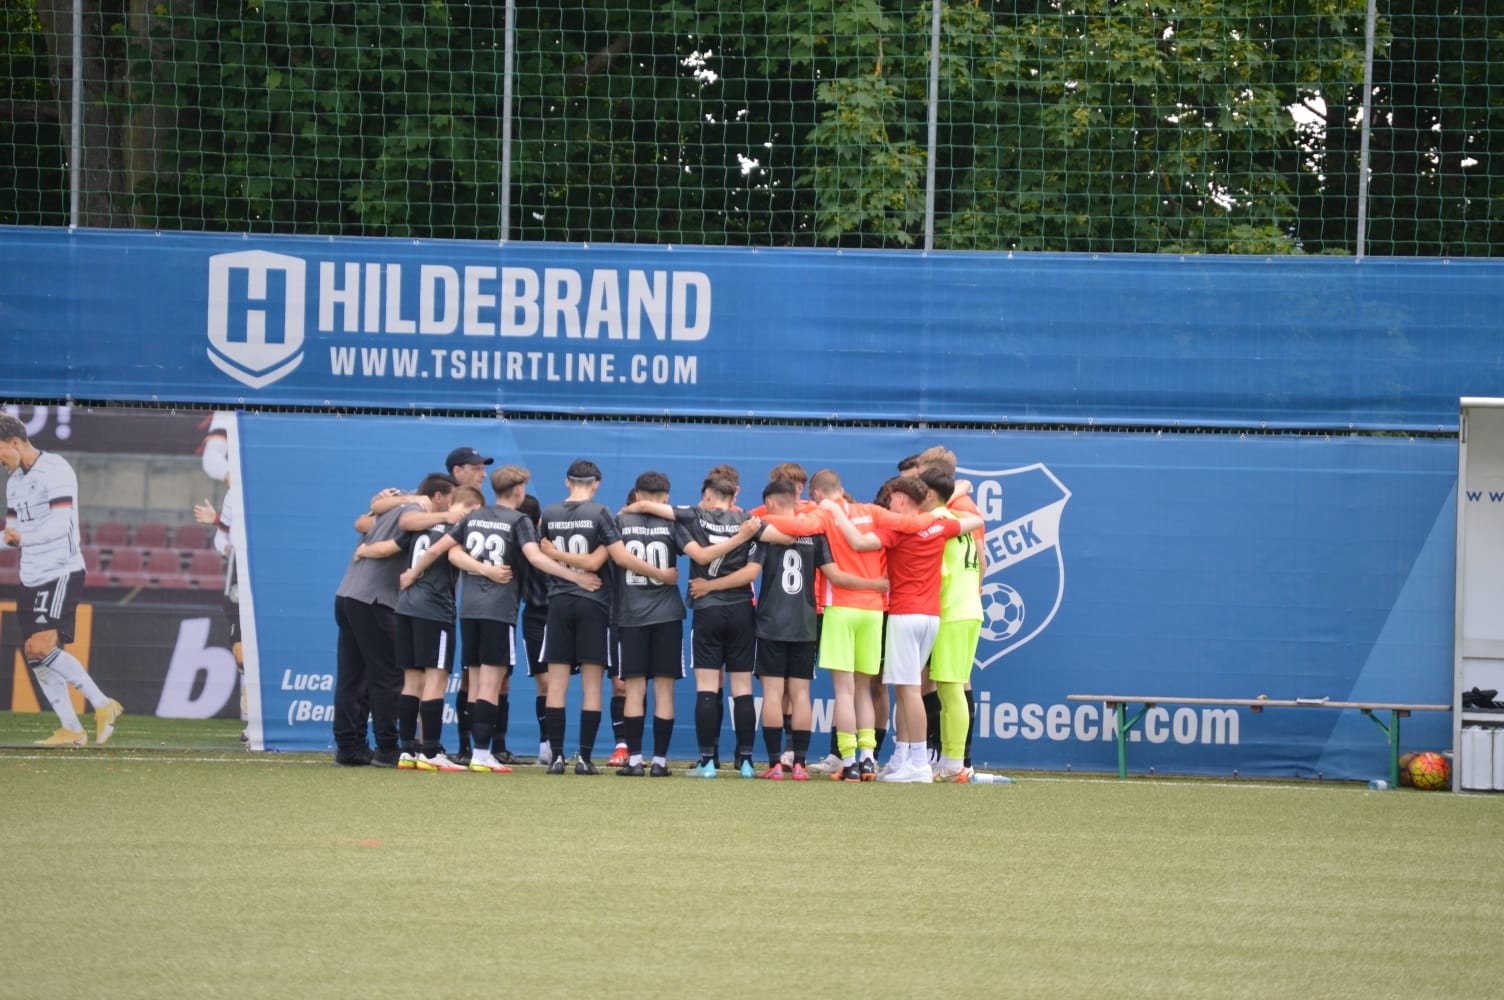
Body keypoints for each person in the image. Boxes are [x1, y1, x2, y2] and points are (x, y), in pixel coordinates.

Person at [758, 468, 940, 782]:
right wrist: (938, 517)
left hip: (841, 608)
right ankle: (869, 758)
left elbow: (797, 527)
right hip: (873, 611)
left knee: (844, 692)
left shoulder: (822, 515)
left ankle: (849, 760)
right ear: (841, 489)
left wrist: (756, 522)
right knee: (863, 691)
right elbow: (911, 523)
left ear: (817, 494)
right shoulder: (872, 512)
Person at [821, 476, 983, 783]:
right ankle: (904, 757)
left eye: (894, 497)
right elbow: (975, 520)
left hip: (905, 615)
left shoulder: (898, 530)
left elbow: (858, 542)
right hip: (931, 616)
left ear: (902, 500)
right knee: (907, 689)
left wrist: (835, 510)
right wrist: (943, 510)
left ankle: (918, 762)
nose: (890, 502)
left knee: (908, 691)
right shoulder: (939, 525)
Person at [624, 475, 762, 777]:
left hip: (707, 609)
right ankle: (747, 762)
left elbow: (650, 506)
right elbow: (768, 555)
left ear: (709, 494)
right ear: (734, 495)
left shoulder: (695, 515)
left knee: (707, 687)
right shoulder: (751, 522)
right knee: (742, 687)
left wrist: (629, 510)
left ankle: (707, 761)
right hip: (741, 611)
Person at [751, 478, 887, 781]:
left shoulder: (764, 531)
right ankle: (801, 763)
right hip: (806, 623)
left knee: (773, 693)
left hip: (772, 621)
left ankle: (775, 764)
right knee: (802, 694)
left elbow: (751, 570)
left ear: (770, 504)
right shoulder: (815, 534)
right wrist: (875, 584)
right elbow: (835, 575)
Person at [0, 414, 123, 747]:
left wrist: (22, 540)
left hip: (60, 570)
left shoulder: (56, 470)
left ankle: (103, 704)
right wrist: (14, 539)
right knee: (35, 654)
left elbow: (60, 525)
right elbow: (12, 535)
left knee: (40, 647)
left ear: (15, 443)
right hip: (30, 575)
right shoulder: (14, 482)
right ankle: (72, 729)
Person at [332, 473, 460, 767]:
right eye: (451, 501)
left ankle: (349, 746)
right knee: (388, 677)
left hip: (349, 594)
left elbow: (365, 521)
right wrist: (447, 517)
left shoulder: (397, 503)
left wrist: (367, 544)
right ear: (437, 497)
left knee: (353, 677)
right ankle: (388, 748)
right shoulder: (416, 510)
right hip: (374, 600)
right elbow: (404, 524)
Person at [359, 484, 485, 772]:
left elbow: (390, 546)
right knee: (435, 680)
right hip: (435, 610)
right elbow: (445, 553)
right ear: (473, 508)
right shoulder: (458, 527)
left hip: (405, 608)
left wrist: (363, 551)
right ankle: (430, 751)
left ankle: (407, 750)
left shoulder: (422, 525)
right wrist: (414, 574)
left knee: (412, 680)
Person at [601, 471, 686, 777]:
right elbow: (697, 552)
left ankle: (635, 760)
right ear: (666, 497)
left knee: (634, 690)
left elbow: (608, 558)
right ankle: (660, 762)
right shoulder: (674, 523)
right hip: (667, 614)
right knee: (664, 690)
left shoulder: (618, 522)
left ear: (636, 495)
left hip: (631, 616)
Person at [536, 460, 616, 775]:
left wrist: (556, 555)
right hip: (593, 602)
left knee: (556, 684)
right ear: (596, 483)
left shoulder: (549, 513)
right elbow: (596, 562)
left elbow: (542, 556)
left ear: (567, 482)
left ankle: (557, 757)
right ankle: (584, 758)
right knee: (592, 685)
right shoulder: (601, 512)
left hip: (559, 601)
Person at [920, 469, 986, 782]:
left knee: (951, 688)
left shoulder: (937, 522)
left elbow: (939, 574)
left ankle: (955, 762)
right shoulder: (957, 519)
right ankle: (950, 759)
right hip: (968, 609)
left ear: (930, 495)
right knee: (950, 688)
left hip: (952, 611)